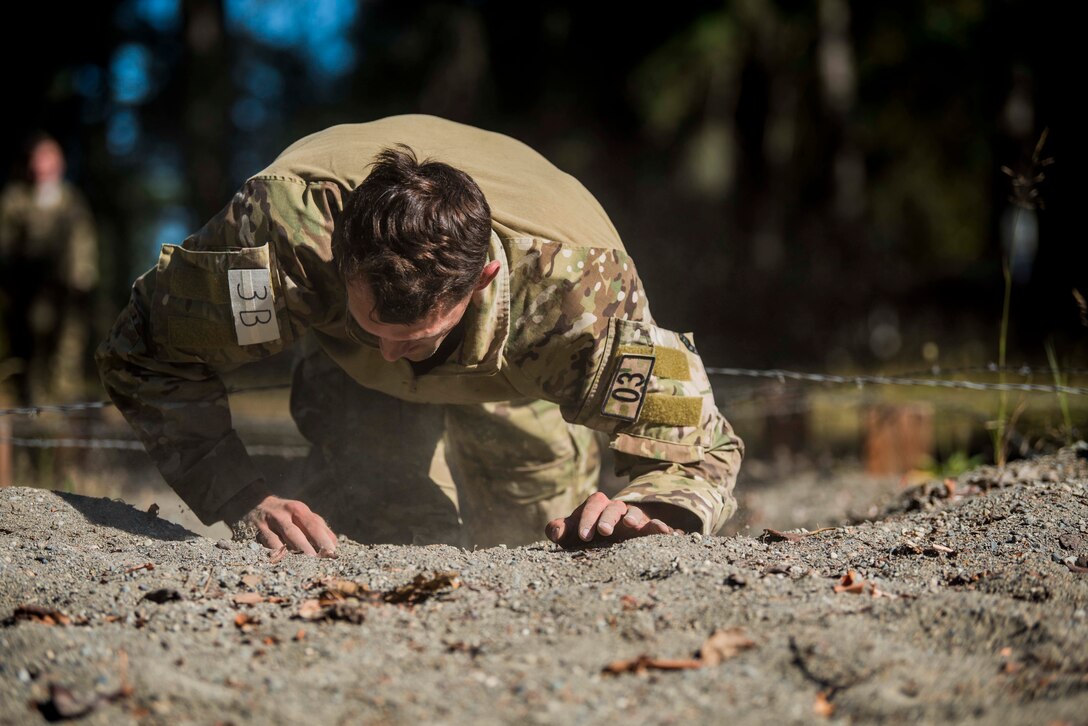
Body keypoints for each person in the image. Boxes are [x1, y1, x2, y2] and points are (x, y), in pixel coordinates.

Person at [97, 115, 744, 554]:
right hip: (350, 388)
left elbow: (699, 448)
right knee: (366, 528)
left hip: (520, 383)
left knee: (545, 537)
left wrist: (657, 509)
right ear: (339, 257)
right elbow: (143, 353)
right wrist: (240, 494)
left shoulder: (578, 291)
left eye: (415, 338)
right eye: (372, 325)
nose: (390, 353)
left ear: (483, 279)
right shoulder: (289, 241)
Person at [1, 133, 98, 404]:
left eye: (50, 157)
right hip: (25, 297)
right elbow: (7, 247)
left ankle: (61, 415)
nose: (43, 164)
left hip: (65, 295)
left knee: (67, 355)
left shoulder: (71, 201)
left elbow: (83, 242)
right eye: (38, 157)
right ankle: (31, 415)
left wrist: (83, 278)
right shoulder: (16, 200)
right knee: (27, 357)